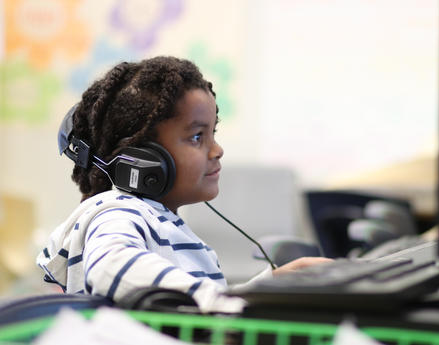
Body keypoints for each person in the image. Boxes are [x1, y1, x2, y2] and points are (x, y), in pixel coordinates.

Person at [37, 56, 331, 313]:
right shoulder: (118, 213)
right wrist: (228, 302)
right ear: (143, 159)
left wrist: (270, 287)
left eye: (212, 133)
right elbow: (111, 268)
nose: (217, 150)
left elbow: (200, 302)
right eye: (196, 137)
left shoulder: (160, 221)